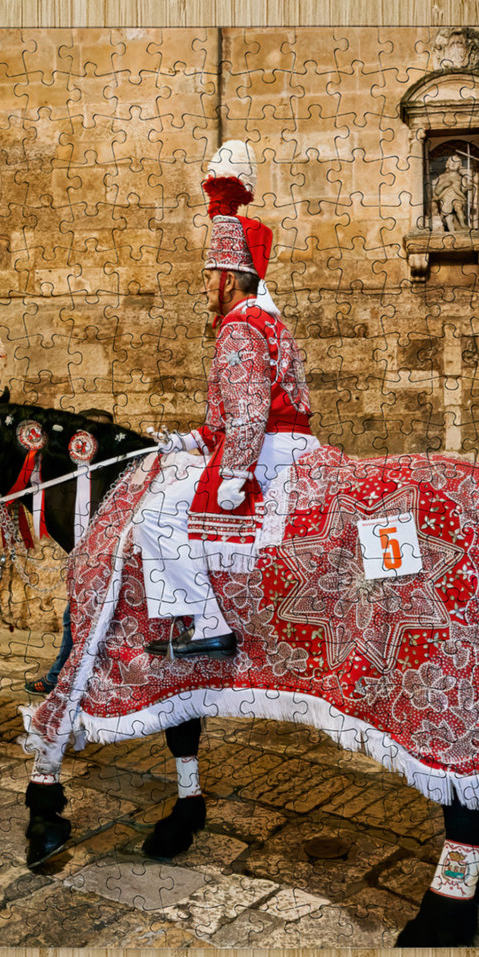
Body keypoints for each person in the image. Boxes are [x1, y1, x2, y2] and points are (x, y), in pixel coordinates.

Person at [135, 140, 319, 661]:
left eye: (208, 277)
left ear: (230, 279)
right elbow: (226, 417)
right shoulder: (268, 321)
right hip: (291, 444)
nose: (203, 287)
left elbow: (249, 415)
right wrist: (185, 441)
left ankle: (208, 623)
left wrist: (233, 475)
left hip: (265, 451)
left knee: (154, 516)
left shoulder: (239, 327)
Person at [24, 407, 115, 695]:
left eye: (104, 431)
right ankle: (65, 676)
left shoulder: (119, 469)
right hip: (92, 564)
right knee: (74, 616)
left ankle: (59, 678)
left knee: (74, 615)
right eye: (90, 430)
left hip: (114, 561)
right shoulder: (68, 473)